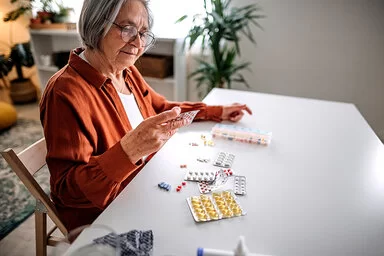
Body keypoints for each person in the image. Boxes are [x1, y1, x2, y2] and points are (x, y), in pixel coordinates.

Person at [40, 0, 252, 231]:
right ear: (96, 24)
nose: (138, 43)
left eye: (143, 33)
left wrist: (216, 111)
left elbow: (161, 108)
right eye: (127, 28)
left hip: (146, 184)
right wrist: (129, 151)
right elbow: (67, 193)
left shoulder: (127, 71)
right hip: (105, 218)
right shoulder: (65, 91)